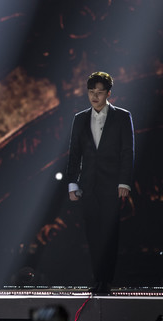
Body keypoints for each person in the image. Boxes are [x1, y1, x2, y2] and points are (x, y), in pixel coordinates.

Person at [66, 71, 134, 294]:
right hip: (88, 186)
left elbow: (127, 152)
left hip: (112, 185)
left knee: (109, 234)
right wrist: (72, 183)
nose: (94, 97)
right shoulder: (80, 118)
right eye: (91, 92)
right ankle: (98, 279)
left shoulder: (122, 116)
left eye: (99, 92)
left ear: (108, 93)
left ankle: (107, 280)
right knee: (93, 234)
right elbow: (74, 153)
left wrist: (124, 182)